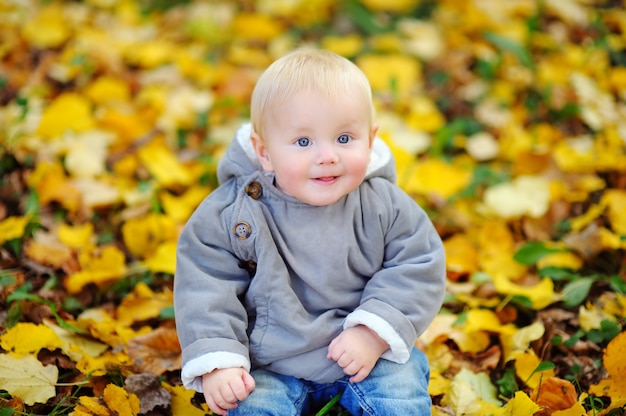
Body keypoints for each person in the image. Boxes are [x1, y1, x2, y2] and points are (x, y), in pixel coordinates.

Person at [174, 48, 446, 415]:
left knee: (399, 392)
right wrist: (221, 360)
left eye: (345, 138)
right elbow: (206, 283)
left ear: (371, 137)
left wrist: (373, 332)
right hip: (270, 361)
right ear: (264, 152)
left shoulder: (384, 205)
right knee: (252, 405)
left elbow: (417, 264)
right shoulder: (234, 213)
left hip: (367, 354)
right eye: (303, 142)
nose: (327, 156)